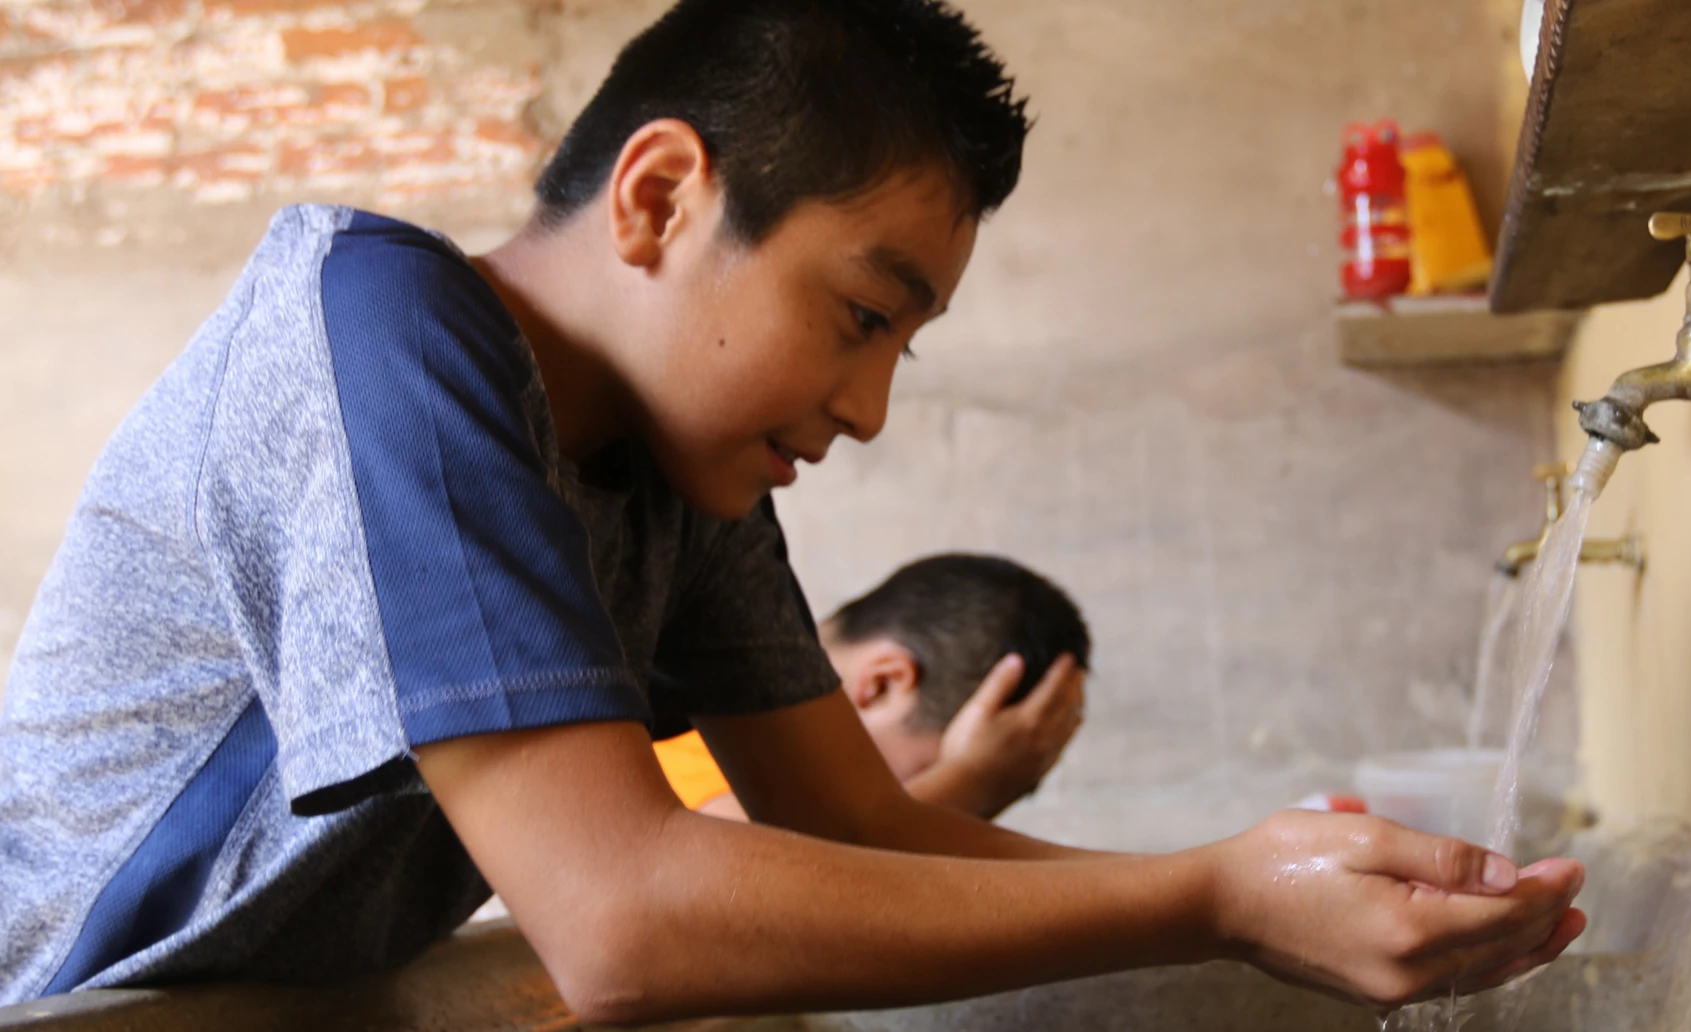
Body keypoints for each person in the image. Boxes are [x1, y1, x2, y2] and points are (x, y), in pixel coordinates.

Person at [0, 0, 1586, 1019]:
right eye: (861, 314)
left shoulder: (683, 469)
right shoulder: (382, 331)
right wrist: (1211, 897)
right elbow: (622, 919)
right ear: (660, 199)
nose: (869, 407)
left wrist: (1257, 885)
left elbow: (870, 825)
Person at [661, 553, 1094, 822]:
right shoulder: (709, 733)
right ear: (882, 685)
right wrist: (967, 787)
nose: (956, 829)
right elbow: (754, 881)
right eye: (927, 777)